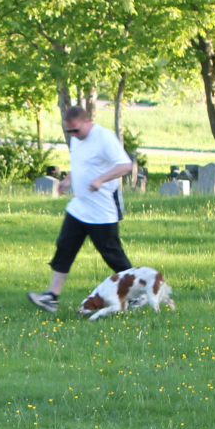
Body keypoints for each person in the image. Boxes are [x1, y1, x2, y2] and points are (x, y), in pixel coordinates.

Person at [27, 105, 137, 312]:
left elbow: (125, 165)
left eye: (75, 130)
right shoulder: (77, 139)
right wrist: (68, 180)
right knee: (64, 247)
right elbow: (81, 163)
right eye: (69, 131)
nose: (73, 135)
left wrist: (101, 179)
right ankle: (51, 296)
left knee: (112, 254)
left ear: (87, 121)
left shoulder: (104, 137)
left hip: (102, 209)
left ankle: (136, 293)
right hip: (79, 207)